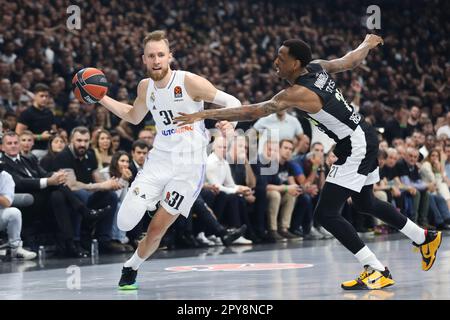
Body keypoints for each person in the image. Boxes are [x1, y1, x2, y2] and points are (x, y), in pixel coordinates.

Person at [175, 34, 442, 290]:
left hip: (357, 145)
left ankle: (376, 269)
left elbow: (253, 110)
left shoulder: (297, 93)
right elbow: (349, 61)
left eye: (281, 58)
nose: (275, 62)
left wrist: (204, 114)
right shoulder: (317, 67)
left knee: (325, 214)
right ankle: (424, 237)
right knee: (365, 202)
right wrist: (367, 43)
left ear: (296, 64)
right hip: (361, 136)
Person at [97, 30, 240, 290]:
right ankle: (152, 201)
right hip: (159, 160)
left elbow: (232, 101)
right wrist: (101, 98)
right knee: (125, 222)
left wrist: (230, 123)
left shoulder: (188, 82)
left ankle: (131, 267)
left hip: (189, 167)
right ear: (143, 59)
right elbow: (132, 115)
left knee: (156, 229)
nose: (156, 60)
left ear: (170, 56)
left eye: (161, 55)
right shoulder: (145, 86)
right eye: (151, 56)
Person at [15, 83, 57, 160]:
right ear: (35, 96)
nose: (44, 98)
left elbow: (54, 130)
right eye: (41, 96)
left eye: (46, 96)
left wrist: (52, 134)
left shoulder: (49, 113)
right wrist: (40, 137)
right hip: (32, 150)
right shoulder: (27, 113)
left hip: (49, 149)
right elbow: (18, 133)